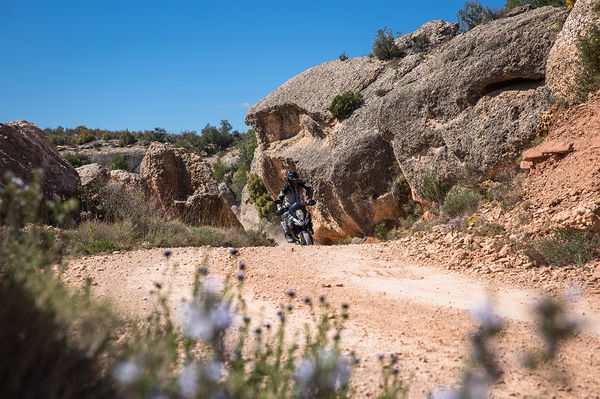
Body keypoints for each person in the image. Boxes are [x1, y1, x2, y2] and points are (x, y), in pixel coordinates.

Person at [275, 171, 314, 243]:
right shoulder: (285, 188)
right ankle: (288, 234)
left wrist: (309, 199)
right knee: (286, 217)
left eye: (296, 179)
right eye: (293, 180)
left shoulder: (300, 183)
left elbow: (310, 188)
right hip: (290, 207)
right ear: (289, 180)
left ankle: (310, 228)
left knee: (308, 214)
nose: (295, 182)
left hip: (300, 205)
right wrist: (279, 208)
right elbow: (280, 198)